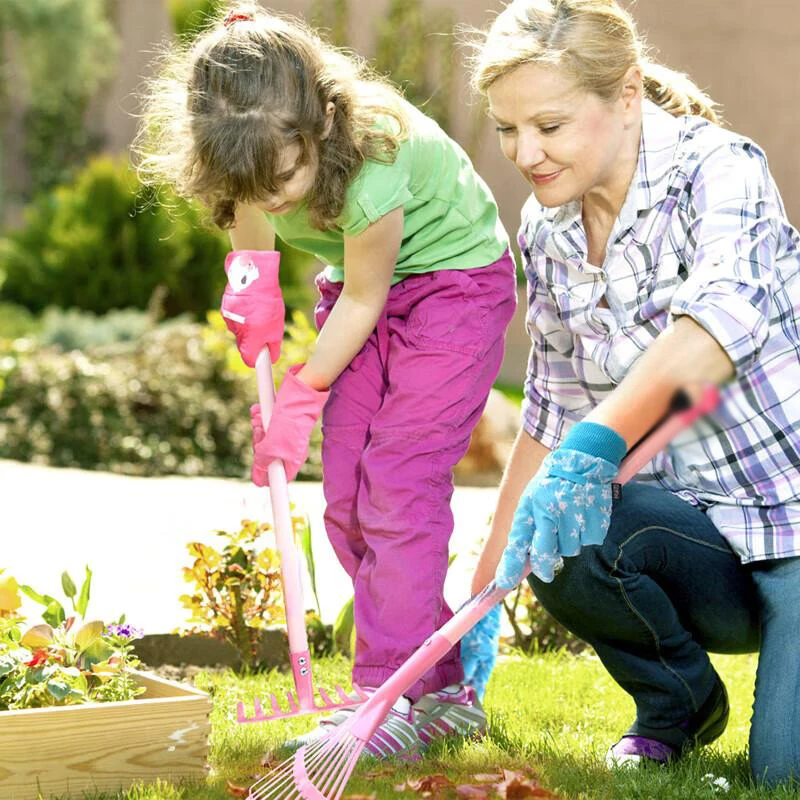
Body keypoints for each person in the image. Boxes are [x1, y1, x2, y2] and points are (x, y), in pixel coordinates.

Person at [135, 4, 517, 758]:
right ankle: (441, 691)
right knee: (347, 498)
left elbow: (369, 298)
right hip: (359, 290)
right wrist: (252, 291)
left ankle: (386, 697)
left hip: (452, 288)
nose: (274, 197)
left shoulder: (373, 149)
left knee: (398, 485)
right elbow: (253, 232)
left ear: (321, 125)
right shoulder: (250, 153)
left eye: (286, 176)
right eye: (252, 182)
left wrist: (302, 396)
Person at [468, 0, 800, 786]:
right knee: (556, 529)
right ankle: (678, 705)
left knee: (781, 775)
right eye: (508, 128)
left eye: (549, 125)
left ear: (625, 95)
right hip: (704, 539)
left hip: (794, 526)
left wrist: (598, 440)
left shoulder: (720, 169)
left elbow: (716, 330)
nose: (525, 152)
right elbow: (552, 408)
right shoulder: (548, 228)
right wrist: (481, 594)